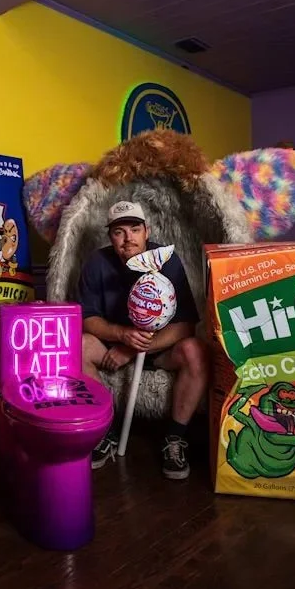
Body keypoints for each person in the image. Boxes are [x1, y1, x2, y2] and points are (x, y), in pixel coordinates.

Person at [77, 200, 209, 480]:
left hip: (159, 349)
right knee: (79, 346)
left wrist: (132, 348)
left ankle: (175, 438)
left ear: (146, 231)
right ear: (110, 237)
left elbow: (186, 325)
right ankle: (105, 433)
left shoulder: (166, 260)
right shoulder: (97, 263)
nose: (128, 238)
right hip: (112, 343)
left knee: (195, 350)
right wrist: (122, 336)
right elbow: (87, 318)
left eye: (135, 229)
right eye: (119, 232)